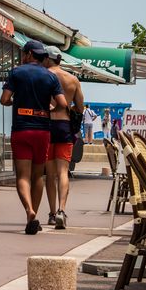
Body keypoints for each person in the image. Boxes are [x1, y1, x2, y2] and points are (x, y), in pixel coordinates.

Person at [0, 39, 67, 235]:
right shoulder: (50, 77)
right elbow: (63, 104)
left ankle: (29, 211)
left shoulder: (16, 72)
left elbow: (4, 99)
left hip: (21, 129)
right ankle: (35, 214)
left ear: (29, 54)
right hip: (43, 131)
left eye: (23, 53)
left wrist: (16, 102)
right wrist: (49, 108)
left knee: (22, 176)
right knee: (38, 175)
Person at [42, 46, 83, 230]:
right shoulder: (72, 79)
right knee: (63, 172)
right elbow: (80, 108)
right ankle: (61, 210)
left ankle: (51, 213)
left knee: (49, 174)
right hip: (65, 126)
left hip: (47, 125)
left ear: (48, 59)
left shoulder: (44, 76)